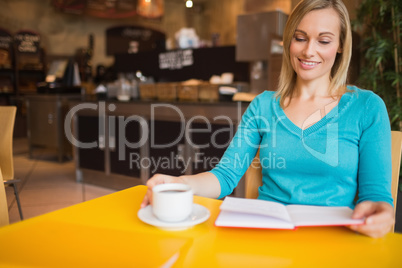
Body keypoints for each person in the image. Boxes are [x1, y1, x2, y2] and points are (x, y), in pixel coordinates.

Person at [141, 0, 395, 238]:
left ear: (340, 45)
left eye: (324, 41)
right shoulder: (263, 105)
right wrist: (179, 182)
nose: (309, 51)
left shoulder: (367, 107)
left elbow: (375, 196)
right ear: (288, 41)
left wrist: (379, 214)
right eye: (300, 38)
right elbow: (225, 176)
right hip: (269, 237)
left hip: (334, 240)